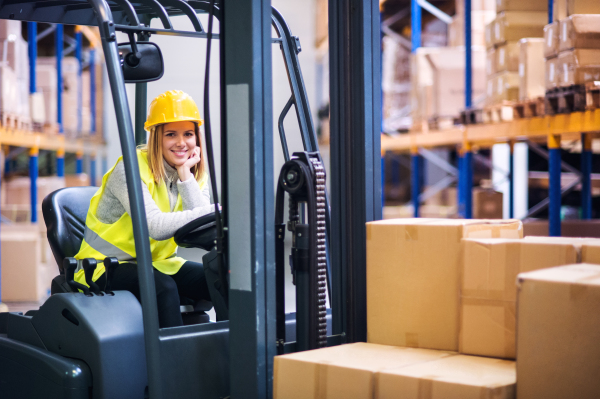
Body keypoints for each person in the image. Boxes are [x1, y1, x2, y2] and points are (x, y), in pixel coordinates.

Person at [74, 90, 215, 328]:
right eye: (171, 134)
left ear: (197, 138)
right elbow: (154, 227)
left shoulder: (193, 172)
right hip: (104, 266)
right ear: (156, 137)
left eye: (188, 134)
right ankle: (171, 363)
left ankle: (231, 351)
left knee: (217, 277)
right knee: (162, 288)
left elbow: (205, 227)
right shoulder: (129, 169)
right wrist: (214, 210)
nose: (181, 142)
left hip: (158, 263)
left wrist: (185, 178)